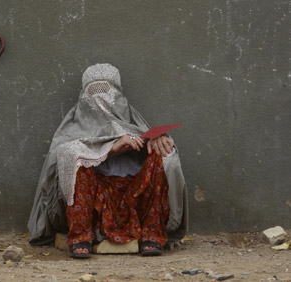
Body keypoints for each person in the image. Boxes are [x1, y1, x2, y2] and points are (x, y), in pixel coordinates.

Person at [28, 63, 188, 258]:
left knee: (163, 154)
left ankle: (152, 234)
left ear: (119, 95)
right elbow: (63, 156)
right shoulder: (72, 126)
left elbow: (161, 157)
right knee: (76, 158)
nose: (100, 99)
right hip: (95, 201)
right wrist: (110, 149)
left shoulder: (133, 122)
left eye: (106, 91)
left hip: (134, 197)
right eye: (93, 91)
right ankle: (81, 237)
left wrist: (159, 140)